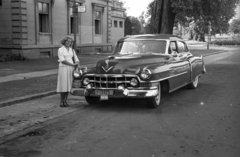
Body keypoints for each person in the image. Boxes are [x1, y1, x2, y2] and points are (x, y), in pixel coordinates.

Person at [56, 37, 80, 107]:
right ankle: (61, 101)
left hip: (71, 69)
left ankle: (65, 101)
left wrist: (77, 63)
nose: (69, 43)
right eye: (67, 41)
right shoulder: (60, 49)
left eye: (70, 42)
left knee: (68, 85)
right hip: (63, 68)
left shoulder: (72, 50)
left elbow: (76, 59)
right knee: (63, 84)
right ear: (64, 42)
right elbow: (62, 60)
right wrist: (72, 64)